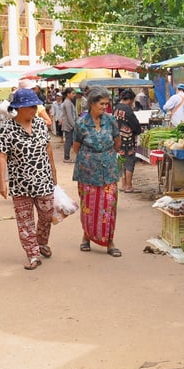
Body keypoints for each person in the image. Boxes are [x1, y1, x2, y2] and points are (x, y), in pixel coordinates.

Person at [0, 89, 58, 270]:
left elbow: (48, 148)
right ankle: (33, 254)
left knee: (47, 215)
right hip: (20, 183)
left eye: (35, 106)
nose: (35, 109)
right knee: (25, 221)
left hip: (43, 179)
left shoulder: (40, 124)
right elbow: (2, 155)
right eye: (31, 106)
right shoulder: (8, 129)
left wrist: (53, 171)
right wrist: (2, 183)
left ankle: (41, 242)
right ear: (20, 108)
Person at [72, 86, 122, 257]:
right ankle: (86, 236)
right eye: (101, 103)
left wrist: (105, 156)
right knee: (89, 206)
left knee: (109, 206)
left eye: (107, 104)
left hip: (109, 170)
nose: (105, 107)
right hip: (87, 171)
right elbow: (76, 147)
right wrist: (91, 159)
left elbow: (117, 142)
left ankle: (109, 241)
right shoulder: (81, 124)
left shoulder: (111, 120)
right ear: (92, 104)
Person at [113, 89, 142, 193]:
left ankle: (123, 184)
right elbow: (136, 125)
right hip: (128, 140)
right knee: (129, 162)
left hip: (117, 138)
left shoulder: (116, 107)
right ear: (129, 99)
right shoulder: (127, 110)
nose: (132, 103)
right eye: (132, 100)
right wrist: (139, 131)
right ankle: (129, 186)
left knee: (121, 160)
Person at [60, 87, 77, 163]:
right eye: (73, 93)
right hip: (69, 126)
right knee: (68, 141)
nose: (74, 95)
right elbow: (69, 116)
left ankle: (67, 157)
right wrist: (74, 125)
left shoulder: (69, 102)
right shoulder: (67, 103)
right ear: (68, 94)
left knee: (70, 141)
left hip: (69, 125)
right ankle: (66, 158)